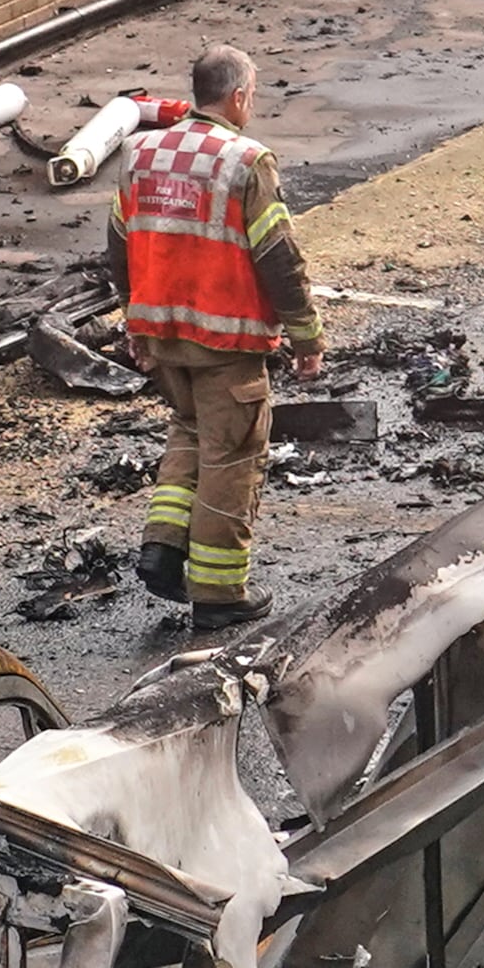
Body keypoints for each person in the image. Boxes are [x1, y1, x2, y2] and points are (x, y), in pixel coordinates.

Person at [111, 44, 323, 626]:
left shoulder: (140, 153)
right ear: (237, 97)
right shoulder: (245, 162)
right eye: (250, 94)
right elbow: (278, 257)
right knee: (233, 457)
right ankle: (219, 596)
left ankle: (163, 546)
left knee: (190, 431)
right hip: (225, 343)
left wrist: (135, 322)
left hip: (162, 334)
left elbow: (120, 245)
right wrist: (307, 337)